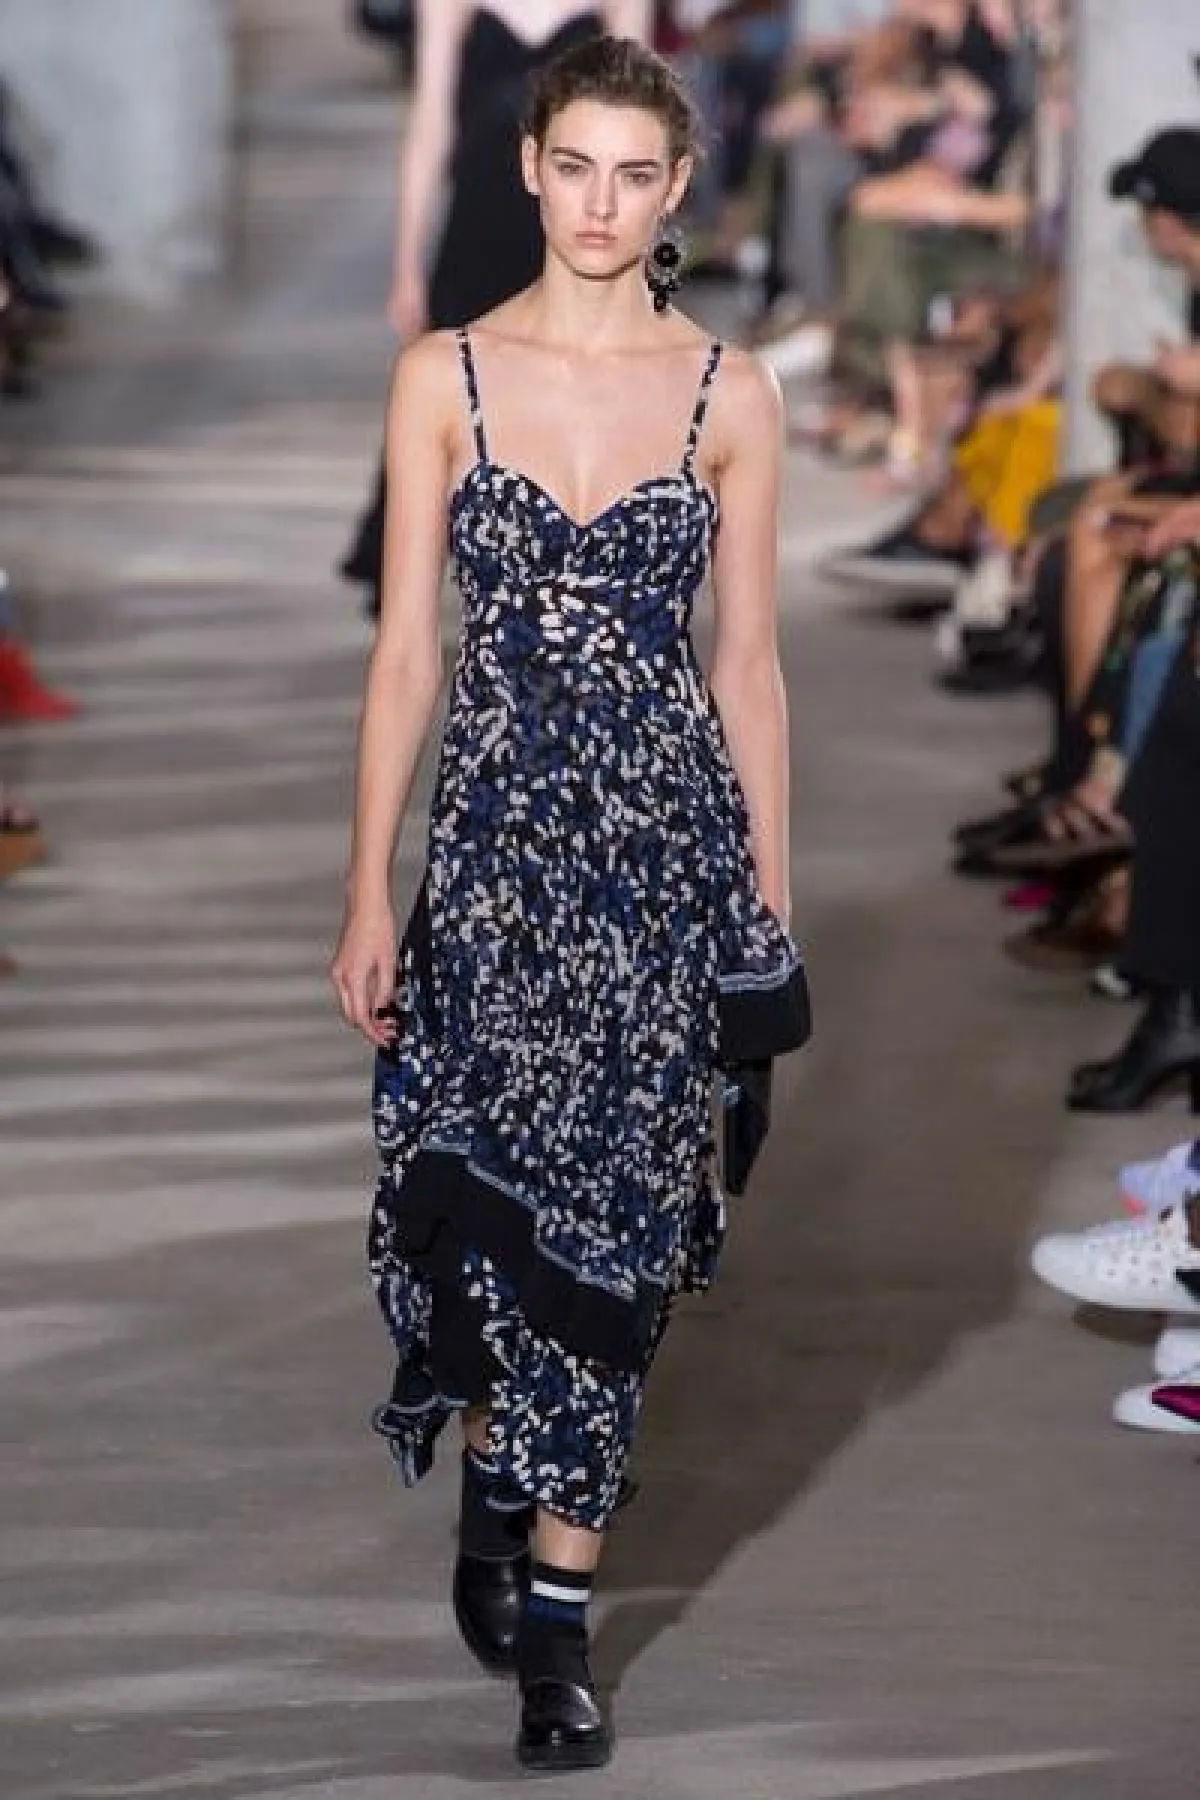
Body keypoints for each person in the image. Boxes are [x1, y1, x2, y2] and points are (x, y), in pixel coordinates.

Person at [330, 35, 807, 1773]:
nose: (603, 205)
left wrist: (767, 911)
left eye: (637, 174)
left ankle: (558, 1622)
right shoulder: (443, 376)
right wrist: (366, 887)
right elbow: (406, 654)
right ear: (529, 167)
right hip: (489, 865)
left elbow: (747, 668)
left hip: (660, 874)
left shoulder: (730, 393)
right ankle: (494, 1479)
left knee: (620, 1234)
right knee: (484, 1217)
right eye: (577, 167)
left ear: (676, 191)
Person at [341, 0, 652, 619]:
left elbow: (643, 122)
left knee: (575, 393)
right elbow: (431, 123)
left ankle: (568, 571)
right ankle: (408, 570)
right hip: (476, 221)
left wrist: (645, 254)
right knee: (448, 398)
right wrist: (407, 263)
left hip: (576, 230)